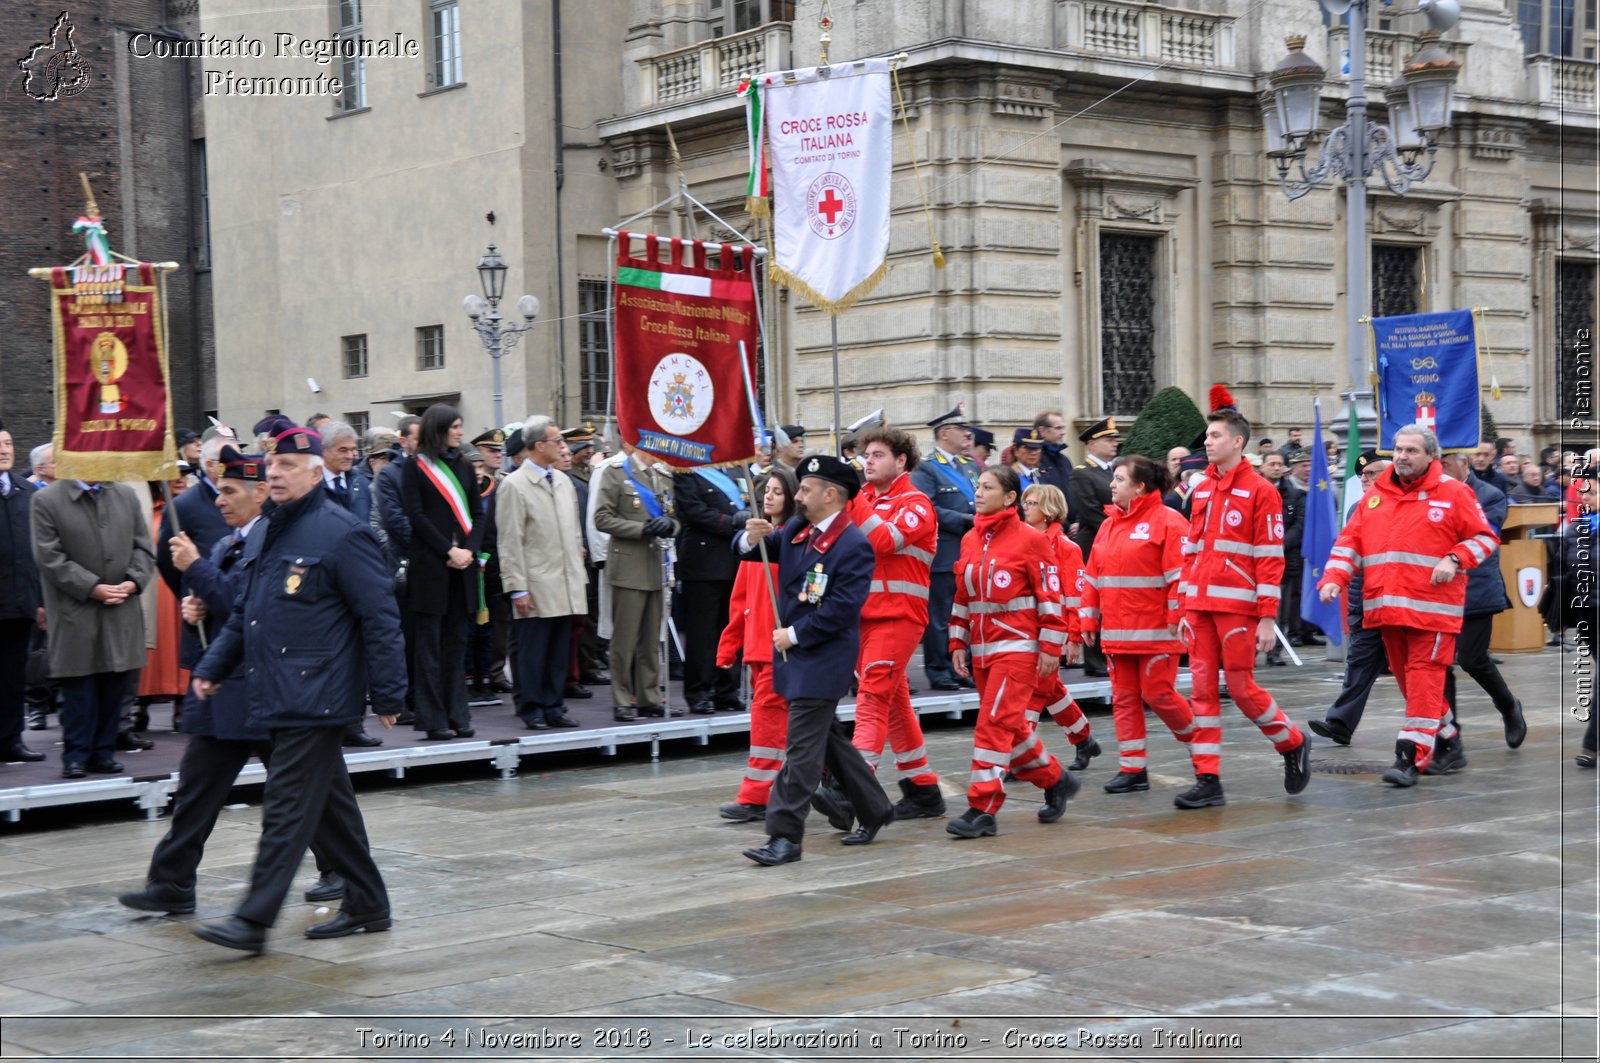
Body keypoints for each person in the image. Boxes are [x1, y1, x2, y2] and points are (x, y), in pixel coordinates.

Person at [188, 424, 403, 953]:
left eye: (287, 466)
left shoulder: (340, 532)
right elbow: (244, 615)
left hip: (318, 694)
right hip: (278, 690)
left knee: (284, 807)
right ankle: (368, 902)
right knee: (330, 811)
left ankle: (253, 919)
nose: (275, 473)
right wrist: (212, 665)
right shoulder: (266, 532)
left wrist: (390, 693)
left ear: (313, 472)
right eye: (271, 465)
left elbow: (379, 615)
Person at [120, 446, 341, 914]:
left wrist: (196, 570)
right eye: (218, 491)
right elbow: (223, 605)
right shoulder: (231, 540)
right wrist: (191, 605)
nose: (218, 500)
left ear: (260, 493)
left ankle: (341, 870)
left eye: (229, 491)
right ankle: (173, 881)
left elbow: (252, 605)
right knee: (196, 794)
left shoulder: (269, 537)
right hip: (225, 692)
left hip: (259, 693)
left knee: (310, 794)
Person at [1318, 424, 1499, 785]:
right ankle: (1449, 739)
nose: (1401, 456)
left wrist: (1455, 558)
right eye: (1398, 449)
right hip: (1386, 611)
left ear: (1431, 456)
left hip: (1433, 612)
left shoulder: (1453, 493)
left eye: (1411, 451)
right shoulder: (1375, 497)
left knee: (1423, 681)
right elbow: (1350, 543)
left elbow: (1485, 538)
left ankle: (1409, 757)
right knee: (1410, 684)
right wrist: (1333, 580)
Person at [736, 455, 895, 865]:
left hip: (821, 656)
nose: (798, 495)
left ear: (830, 495)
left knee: (801, 750)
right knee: (830, 742)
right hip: (794, 656)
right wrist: (749, 537)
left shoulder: (852, 544)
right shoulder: (797, 529)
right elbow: (760, 552)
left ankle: (785, 836)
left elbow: (843, 608)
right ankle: (875, 808)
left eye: (805, 489)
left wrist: (794, 634)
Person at [1182, 404, 1312, 798]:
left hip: (1238, 609)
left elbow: (1270, 557)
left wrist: (1267, 618)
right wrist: (1183, 604)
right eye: (1207, 436)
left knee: (1241, 689)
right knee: (1201, 690)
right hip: (1200, 607)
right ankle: (1208, 779)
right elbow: (1192, 550)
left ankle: (1291, 741)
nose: (1207, 441)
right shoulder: (1201, 487)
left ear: (1237, 442)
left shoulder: (1262, 491)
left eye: (1215, 436)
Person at [946, 466, 1078, 837]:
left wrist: (1052, 645)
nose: (979, 491)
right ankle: (1056, 780)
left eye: (988, 487)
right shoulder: (971, 539)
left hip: (1019, 652)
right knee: (1013, 728)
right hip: (983, 653)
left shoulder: (1032, 540)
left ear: (1009, 498)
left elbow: (1051, 597)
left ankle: (982, 807)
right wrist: (957, 641)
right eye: (978, 485)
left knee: (992, 724)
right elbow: (962, 597)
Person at [1080, 455, 1221, 804]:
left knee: (1159, 694)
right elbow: (1093, 577)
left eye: (1119, 479)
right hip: (1116, 632)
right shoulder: (1109, 524)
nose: (1112, 484)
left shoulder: (1169, 522)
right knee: (1125, 699)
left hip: (1157, 631)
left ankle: (1201, 751)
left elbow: (1179, 578)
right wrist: (1087, 618)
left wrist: (1176, 619)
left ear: (1140, 486)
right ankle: (1132, 769)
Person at [836, 425, 946, 823]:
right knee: (895, 706)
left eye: (878, 455)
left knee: (872, 699)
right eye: (867, 455)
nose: (868, 461)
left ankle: (855, 791)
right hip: (863, 616)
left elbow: (883, 541)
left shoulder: (916, 503)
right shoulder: (862, 499)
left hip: (898, 616)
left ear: (901, 461)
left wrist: (852, 499)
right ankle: (923, 789)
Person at [32, 474, 154, 779]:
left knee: (116, 683)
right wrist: (91, 586)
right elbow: (49, 557)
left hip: (121, 606)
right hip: (77, 608)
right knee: (80, 686)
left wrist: (133, 581)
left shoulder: (125, 495)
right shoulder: (46, 500)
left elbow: (143, 547)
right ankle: (76, 754)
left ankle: (103, 752)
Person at [715, 467, 799, 821]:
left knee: (767, 717)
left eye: (778, 492)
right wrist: (728, 645)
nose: (769, 497)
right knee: (790, 722)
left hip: (779, 646)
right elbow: (741, 600)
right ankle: (826, 779)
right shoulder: (756, 544)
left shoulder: (793, 541)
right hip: (756, 646)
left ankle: (756, 795)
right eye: (767, 490)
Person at [400, 404, 483, 741]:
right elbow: (415, 515)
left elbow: (478, 514)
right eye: (457, 427)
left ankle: (457, 714)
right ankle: (434, 718)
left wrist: (468, 551)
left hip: (461, 568)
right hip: (431, 567)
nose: (461, 433)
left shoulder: (463, 465)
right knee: (430, 647)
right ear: (440, 429)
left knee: (456, 644)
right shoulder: (415, 467)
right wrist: (447, 550)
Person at [497, 415, 585, 730]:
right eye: (557, 441)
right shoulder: (514, 485)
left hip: (564, 578)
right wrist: (517, 587)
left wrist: (578, 572)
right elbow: (510, 541)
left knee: (559, 647)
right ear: (538, 446)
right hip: (535, 580)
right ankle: (531, 706)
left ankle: (553, 704)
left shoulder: (562, 481)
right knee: (533, 649)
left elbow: (573, 531)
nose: (563, 447)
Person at [1439, 449, 1526, 753]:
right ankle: (1449, 736)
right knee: (1440, 664)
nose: (1439, 470)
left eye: (1445, 464)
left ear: (1463, 464)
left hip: (1476, 588)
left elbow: (1482, 536)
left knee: (1472, 659)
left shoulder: (1488, 494)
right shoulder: (1434, 493)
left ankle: (1508, 705)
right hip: (1438, 589)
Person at [1306, 451, 1391, 745]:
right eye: (1362, 475)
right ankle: (1340, 723)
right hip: (1366, 600)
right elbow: (1349, 552)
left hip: (1399, 602)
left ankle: (1445, 727)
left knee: (1417, 672)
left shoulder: (1408, 503)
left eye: (1372, 473)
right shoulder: (1358, 507)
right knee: (1358, 663)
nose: (1365, 480)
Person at [593, 444, 680, 721]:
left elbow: (674, 518)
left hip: (656, 565)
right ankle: (622, 698)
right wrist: (641, 529)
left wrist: (670, 527)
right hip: (629, 564)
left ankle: (649, 696)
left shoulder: (663, 476)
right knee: (625, 638)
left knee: (651, 638)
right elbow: (602, 518)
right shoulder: (615, 473)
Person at [1020, 483, 1100, 771]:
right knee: (1052, 690)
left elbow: (1074, 596)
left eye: (1032, 504)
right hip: (1031, 631)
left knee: (1034, 693)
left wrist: (1073, 636)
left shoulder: (1067, 548)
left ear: (1049, 510)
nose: (1025, 508)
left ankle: (1024, 754)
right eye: (1025, 503)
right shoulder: (1025, 541)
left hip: (1054, 633)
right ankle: (1083, 740)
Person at [910, 405, 980, 692]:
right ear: (944, 433)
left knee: (966, 616)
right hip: (944, 554)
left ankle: (960, 669)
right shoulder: (926, 468)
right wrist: (967, 521)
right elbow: (928, 509)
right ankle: (939, 671)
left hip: (970, 553)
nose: (968, 433)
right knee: (940, 617)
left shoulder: (970, 466)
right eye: (961, 429)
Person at [674, 456, 752, 715]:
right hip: (703, 563)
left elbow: (746, 499)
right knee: (703, 633)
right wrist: (732, 522)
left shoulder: (731, 470)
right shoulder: (685, 470)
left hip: (733, 560)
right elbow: (693, 511)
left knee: (731, 629)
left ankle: (727, 690)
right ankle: (699, 691)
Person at [0, 425, 45, 764]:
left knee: (15, 675)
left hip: (20, 602)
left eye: (8, 443)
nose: (4, 449)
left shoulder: (26, 491)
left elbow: (39, 551)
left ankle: (12, 739)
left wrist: (40, 599)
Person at [1069, 417, 1120, 678]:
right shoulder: (1082, 473)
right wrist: (1121, 530)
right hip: (1094, 544)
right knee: (1094, 601)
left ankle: (1108, 652)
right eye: (1108, 439)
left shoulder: (1115, 471)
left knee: (1112, 600)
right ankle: (1094, 658)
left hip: (1115, 543)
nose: (1114, 443)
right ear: (1091, 443)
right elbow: (1089, 512)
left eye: (1114, 439)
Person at [1031, 410, 1073, 497]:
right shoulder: (1034, 460)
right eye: (1058, 428)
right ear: (1042, 431)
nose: (1063, 433)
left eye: (1063, 428)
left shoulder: (1064, 460)